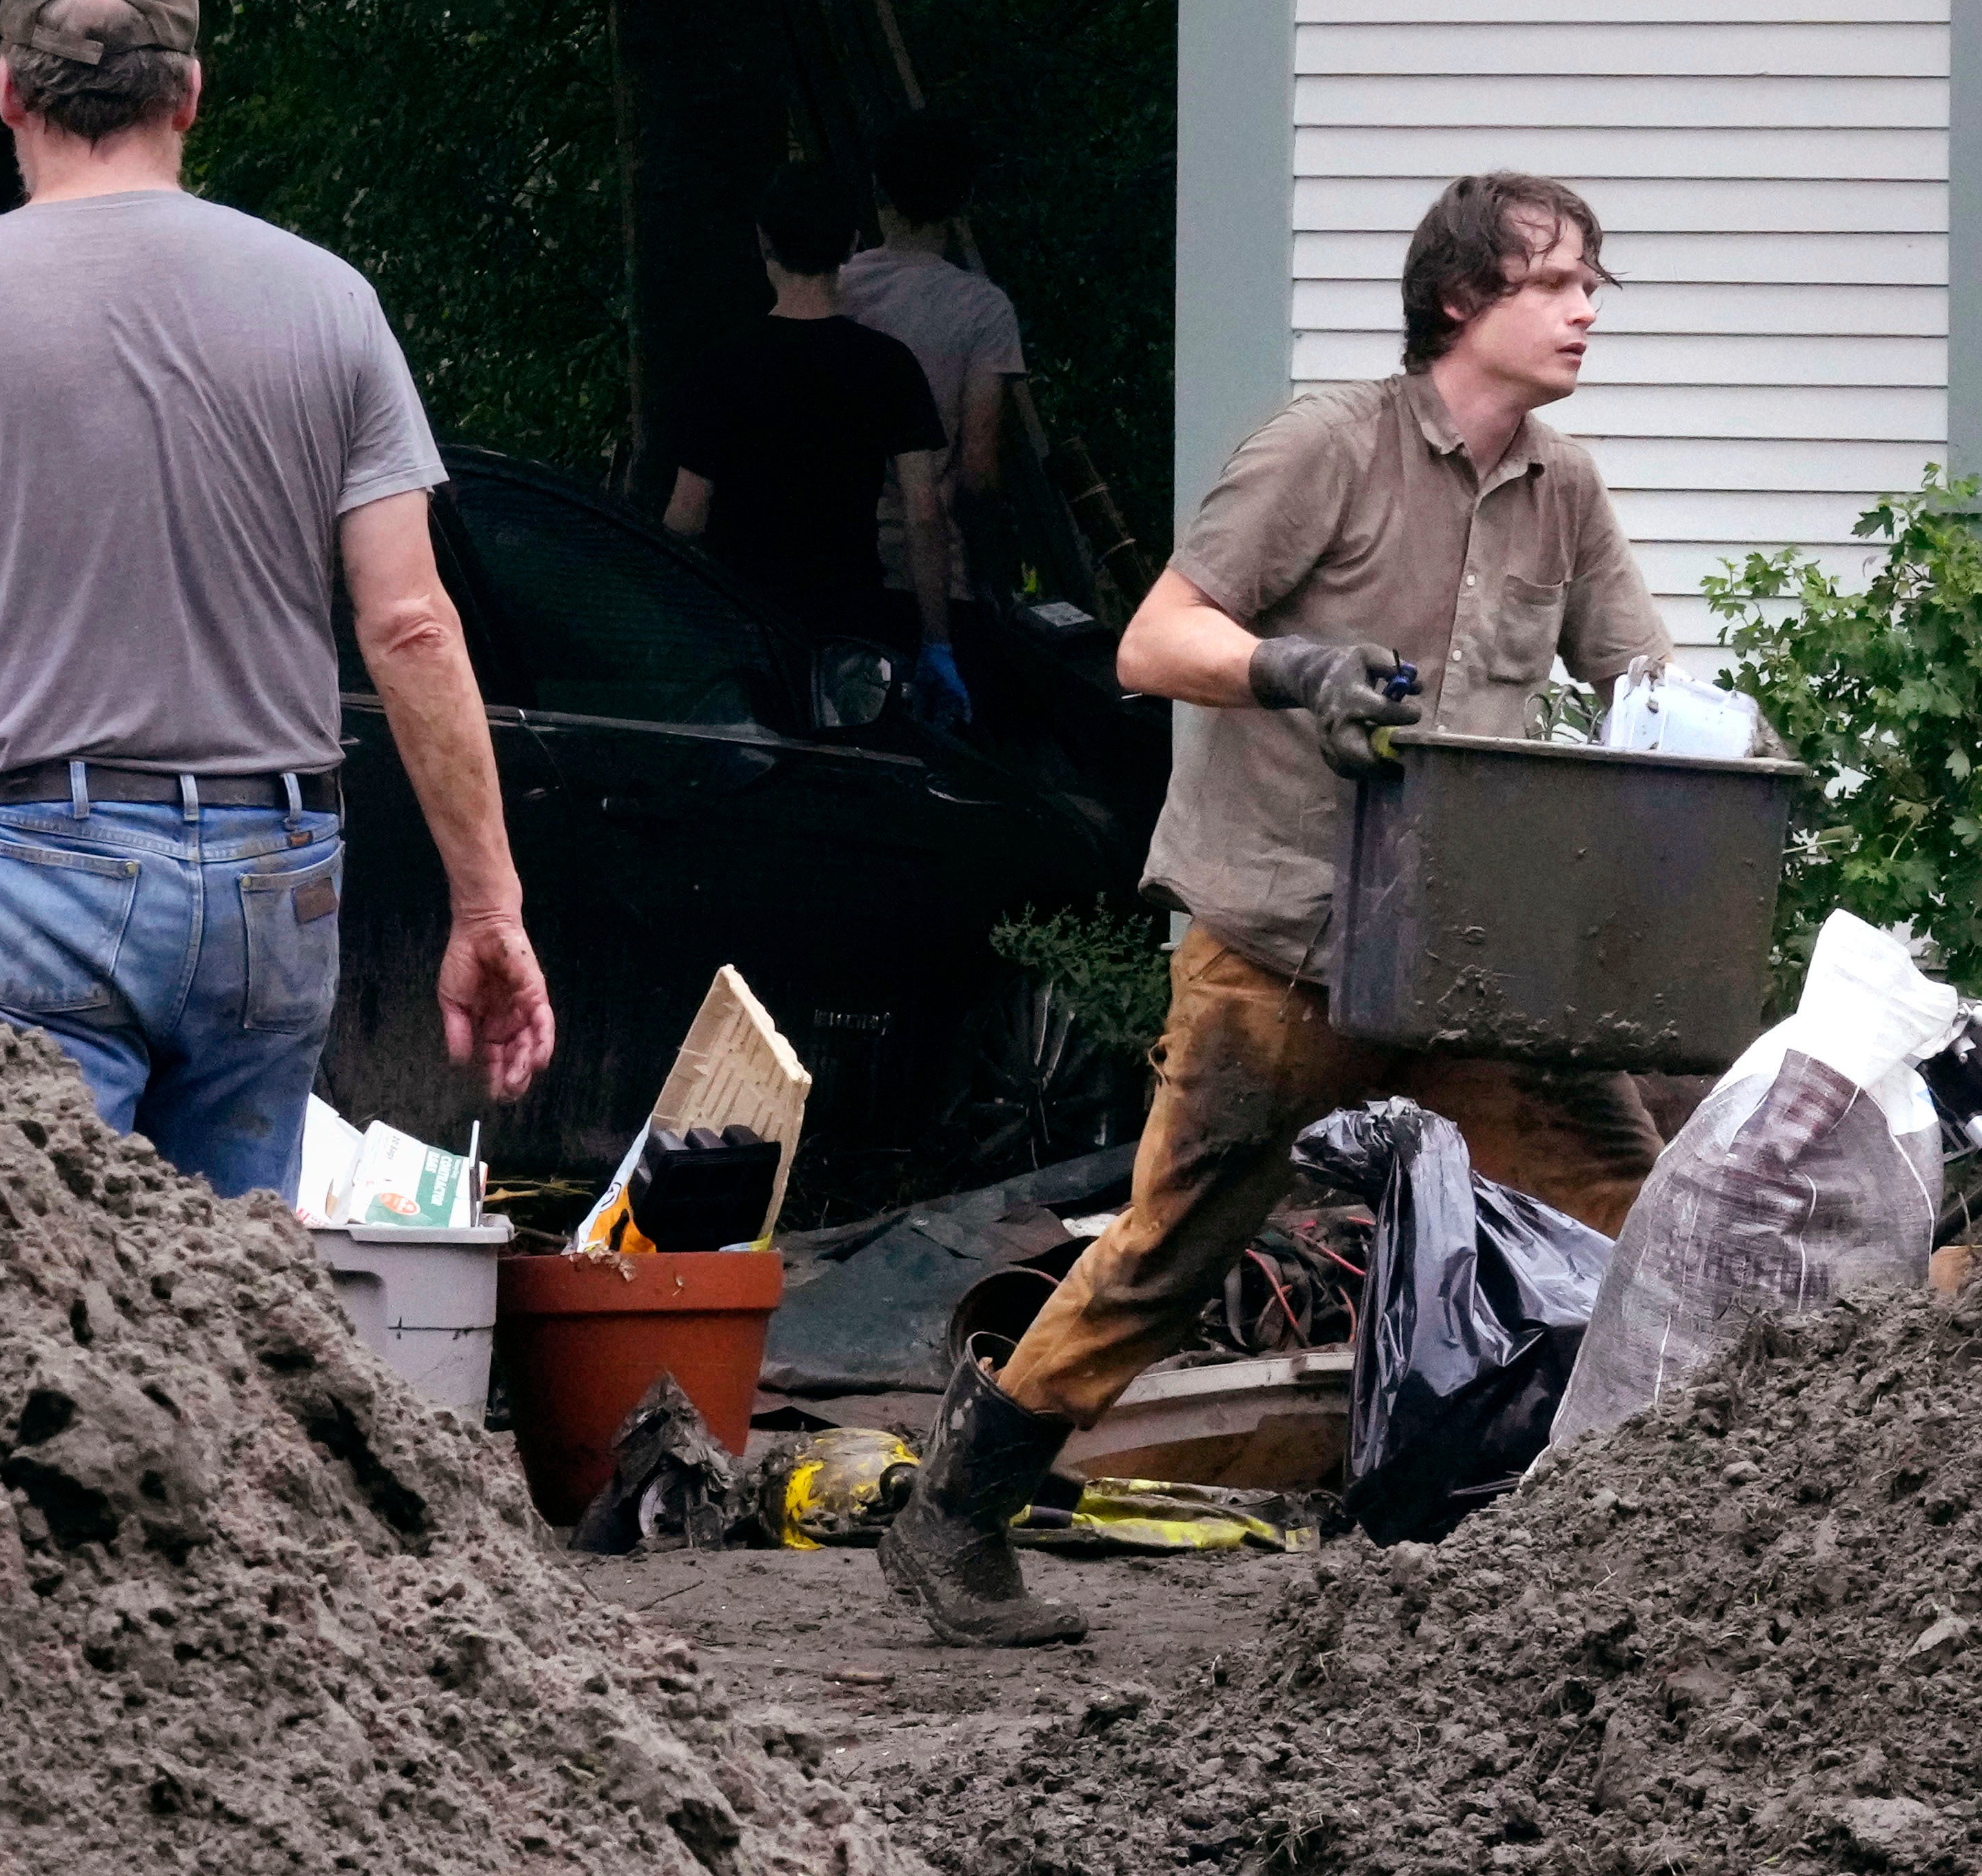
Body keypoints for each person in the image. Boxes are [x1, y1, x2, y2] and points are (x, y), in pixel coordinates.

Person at [881, 171, 1672, 1648]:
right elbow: (1153, 640)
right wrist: (1292, 671)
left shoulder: (1560, 489)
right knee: (1170, 1252)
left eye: (1590, 285)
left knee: (1638, 1216)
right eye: (1555, 282)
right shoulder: (1327, 448)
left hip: (1466, 950)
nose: (1584, 310)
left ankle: (1700, 1532)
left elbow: (1643, 682)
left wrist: (1716, 754)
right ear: (1460, 300)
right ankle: (953, 1516)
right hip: (1286, 937)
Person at [0, 0, 554, 1193]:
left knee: (45, 1274)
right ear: (190, 94)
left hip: (37, 870)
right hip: (273, 879)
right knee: (230, 1279)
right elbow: (411, 626)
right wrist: (486, 909)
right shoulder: (331, 304)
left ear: (6, 92)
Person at [660, 161, 958, 714]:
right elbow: (923, 512)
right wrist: (937, 641)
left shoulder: (721, 367)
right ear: (850, 245)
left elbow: (686, 516)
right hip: (850, 623)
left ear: (763, 241)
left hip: (747, 626)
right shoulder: (888, 365)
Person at [831, 110, 1022, 643]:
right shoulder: (982, 309)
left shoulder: (834, 290)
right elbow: (978, 468)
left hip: (835, 564)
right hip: (934, 575)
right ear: (963, 198)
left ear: (878, 188)